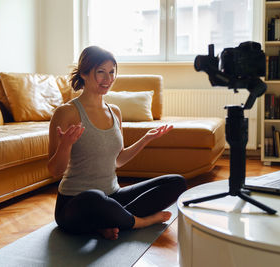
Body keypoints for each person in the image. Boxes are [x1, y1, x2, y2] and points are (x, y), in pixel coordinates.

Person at [48, 46, 187, 240]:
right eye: (101, 72)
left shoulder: (115, 111)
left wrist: (146, 139)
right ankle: (140, 222)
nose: (108, 79)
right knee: (94, 197)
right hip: (76, 203)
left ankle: (108, 222)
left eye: (112, 72)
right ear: (84, 73)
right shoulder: (66, 112)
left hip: (113, 195)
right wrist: (66, 145)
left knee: (176, 182)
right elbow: (54, 170)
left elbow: (118, 160)